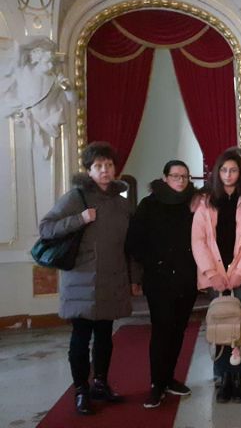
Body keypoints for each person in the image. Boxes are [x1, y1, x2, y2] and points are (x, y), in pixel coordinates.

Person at [39, 142, 135, 415]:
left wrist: (134, 277)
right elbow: (46, 228)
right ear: (89, 170)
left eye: (109, 165)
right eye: (98, 166)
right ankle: (81, 389)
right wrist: (79, 219)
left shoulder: (122, 203)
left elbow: (130, 245)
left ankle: (100, 383)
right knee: (80, 338)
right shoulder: (75, 197)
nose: (105, 170)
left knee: (105, 336)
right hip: (80, 280)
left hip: (112, 279)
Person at [192, 148, 241, 404]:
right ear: (217, 172)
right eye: (224, 170)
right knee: (220, 323)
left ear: (240, 172)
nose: (228, 175)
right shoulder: (206, 201)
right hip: (216, 273)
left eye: (233, 170)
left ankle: (238, 376)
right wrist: (211, 273)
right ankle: (222, 377)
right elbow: (198, 240)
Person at [127, 160, 199, 409]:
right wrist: (154, 262)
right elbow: (134, 241)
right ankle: (156, 384)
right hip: (159, 279)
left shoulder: (194, 204)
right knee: (162, 331)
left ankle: (169, 378)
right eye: (175, 176)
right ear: (165, 178)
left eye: (184, 176)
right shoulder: (149, 204)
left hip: (186, 278)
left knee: (178, 330)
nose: (180, 180)